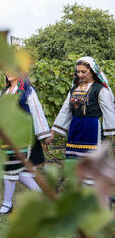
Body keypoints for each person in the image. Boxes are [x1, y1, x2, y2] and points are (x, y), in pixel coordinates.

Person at [47, 56, 115, 184]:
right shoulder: (74, 89)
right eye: (78, 72)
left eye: (83, 72)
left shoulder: (100, 89)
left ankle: (98, 200)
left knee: (93, 170)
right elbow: (65, 110)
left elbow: (109, 113)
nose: (80, 75)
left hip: (92, 130)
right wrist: (53, 131)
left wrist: (112, 135)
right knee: (77, 169)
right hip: (76, 130)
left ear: (92, 71)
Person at [0, 72, 50, 214]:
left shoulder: (27, 91)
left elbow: (37, 112)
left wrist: (44, 134)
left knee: (11, 168)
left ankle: (7, 204)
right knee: (21, 172)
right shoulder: (4, 92)